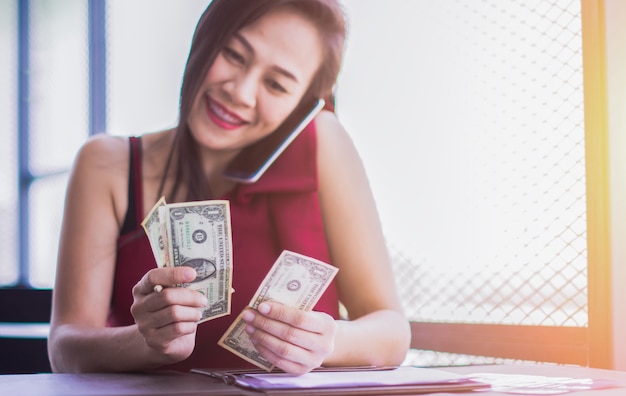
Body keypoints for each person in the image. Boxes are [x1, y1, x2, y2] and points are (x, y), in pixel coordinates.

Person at [48, 0, 411, 375]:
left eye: (276, 84)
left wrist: (329, 341)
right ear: (205, 39)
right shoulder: (107, 163)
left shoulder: (323, 143)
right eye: (235, 55)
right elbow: (65, 351)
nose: (241, 92)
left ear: (303, 107)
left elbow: (392, 331)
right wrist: (146, 341)